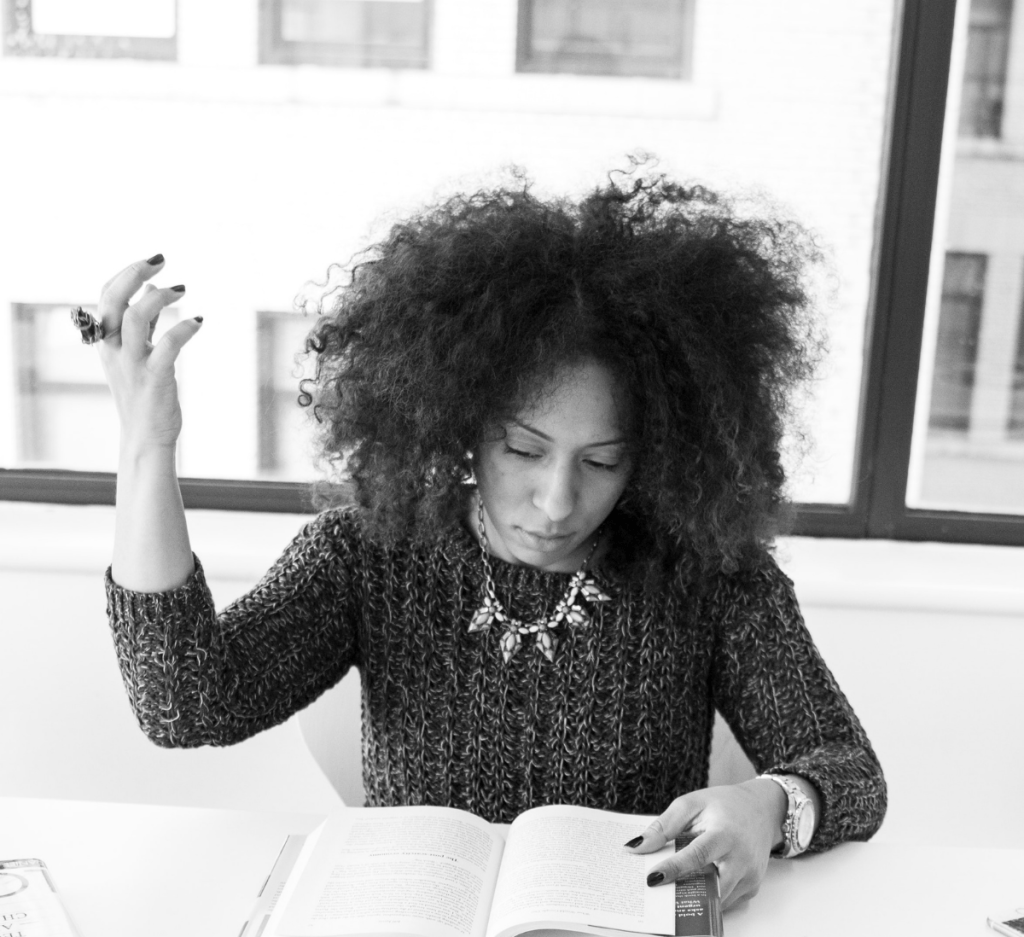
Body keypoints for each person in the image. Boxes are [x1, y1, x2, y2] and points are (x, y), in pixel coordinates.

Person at [92, 170, 885, 911]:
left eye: (603, 461)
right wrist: (146, 449)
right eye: (525, 450)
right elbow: (183, 703)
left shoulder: (709, 575)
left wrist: (770, 803)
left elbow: (850, 773)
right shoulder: (371, 552)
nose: (557, 500)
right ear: (462, 421)